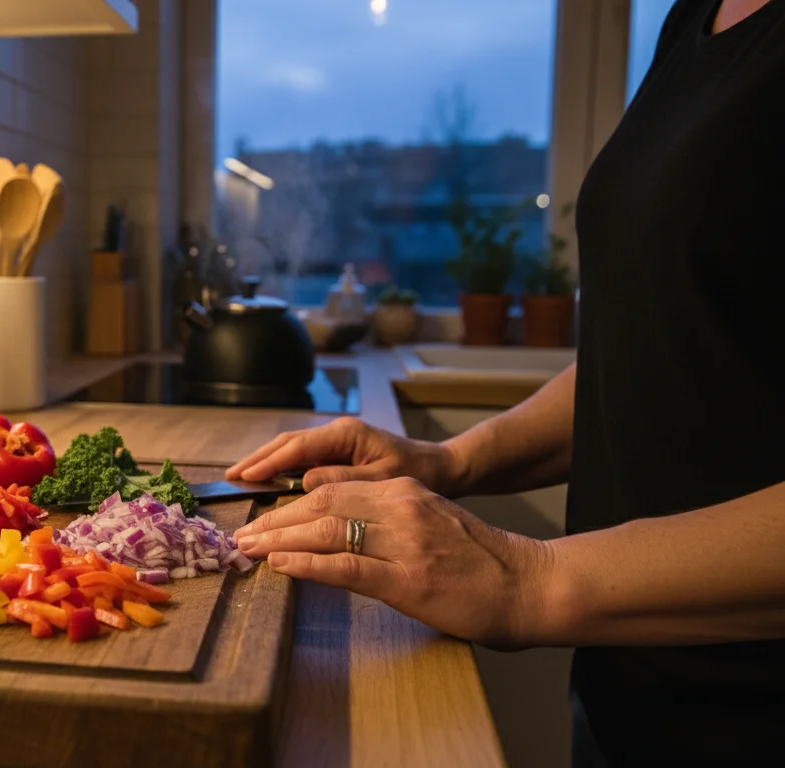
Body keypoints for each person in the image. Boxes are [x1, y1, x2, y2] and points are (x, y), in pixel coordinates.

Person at [224, 0, 785, 765]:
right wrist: (451, 462)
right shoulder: (694, 19)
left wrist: (529, 579)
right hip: (630, 682)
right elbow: (664, 342)